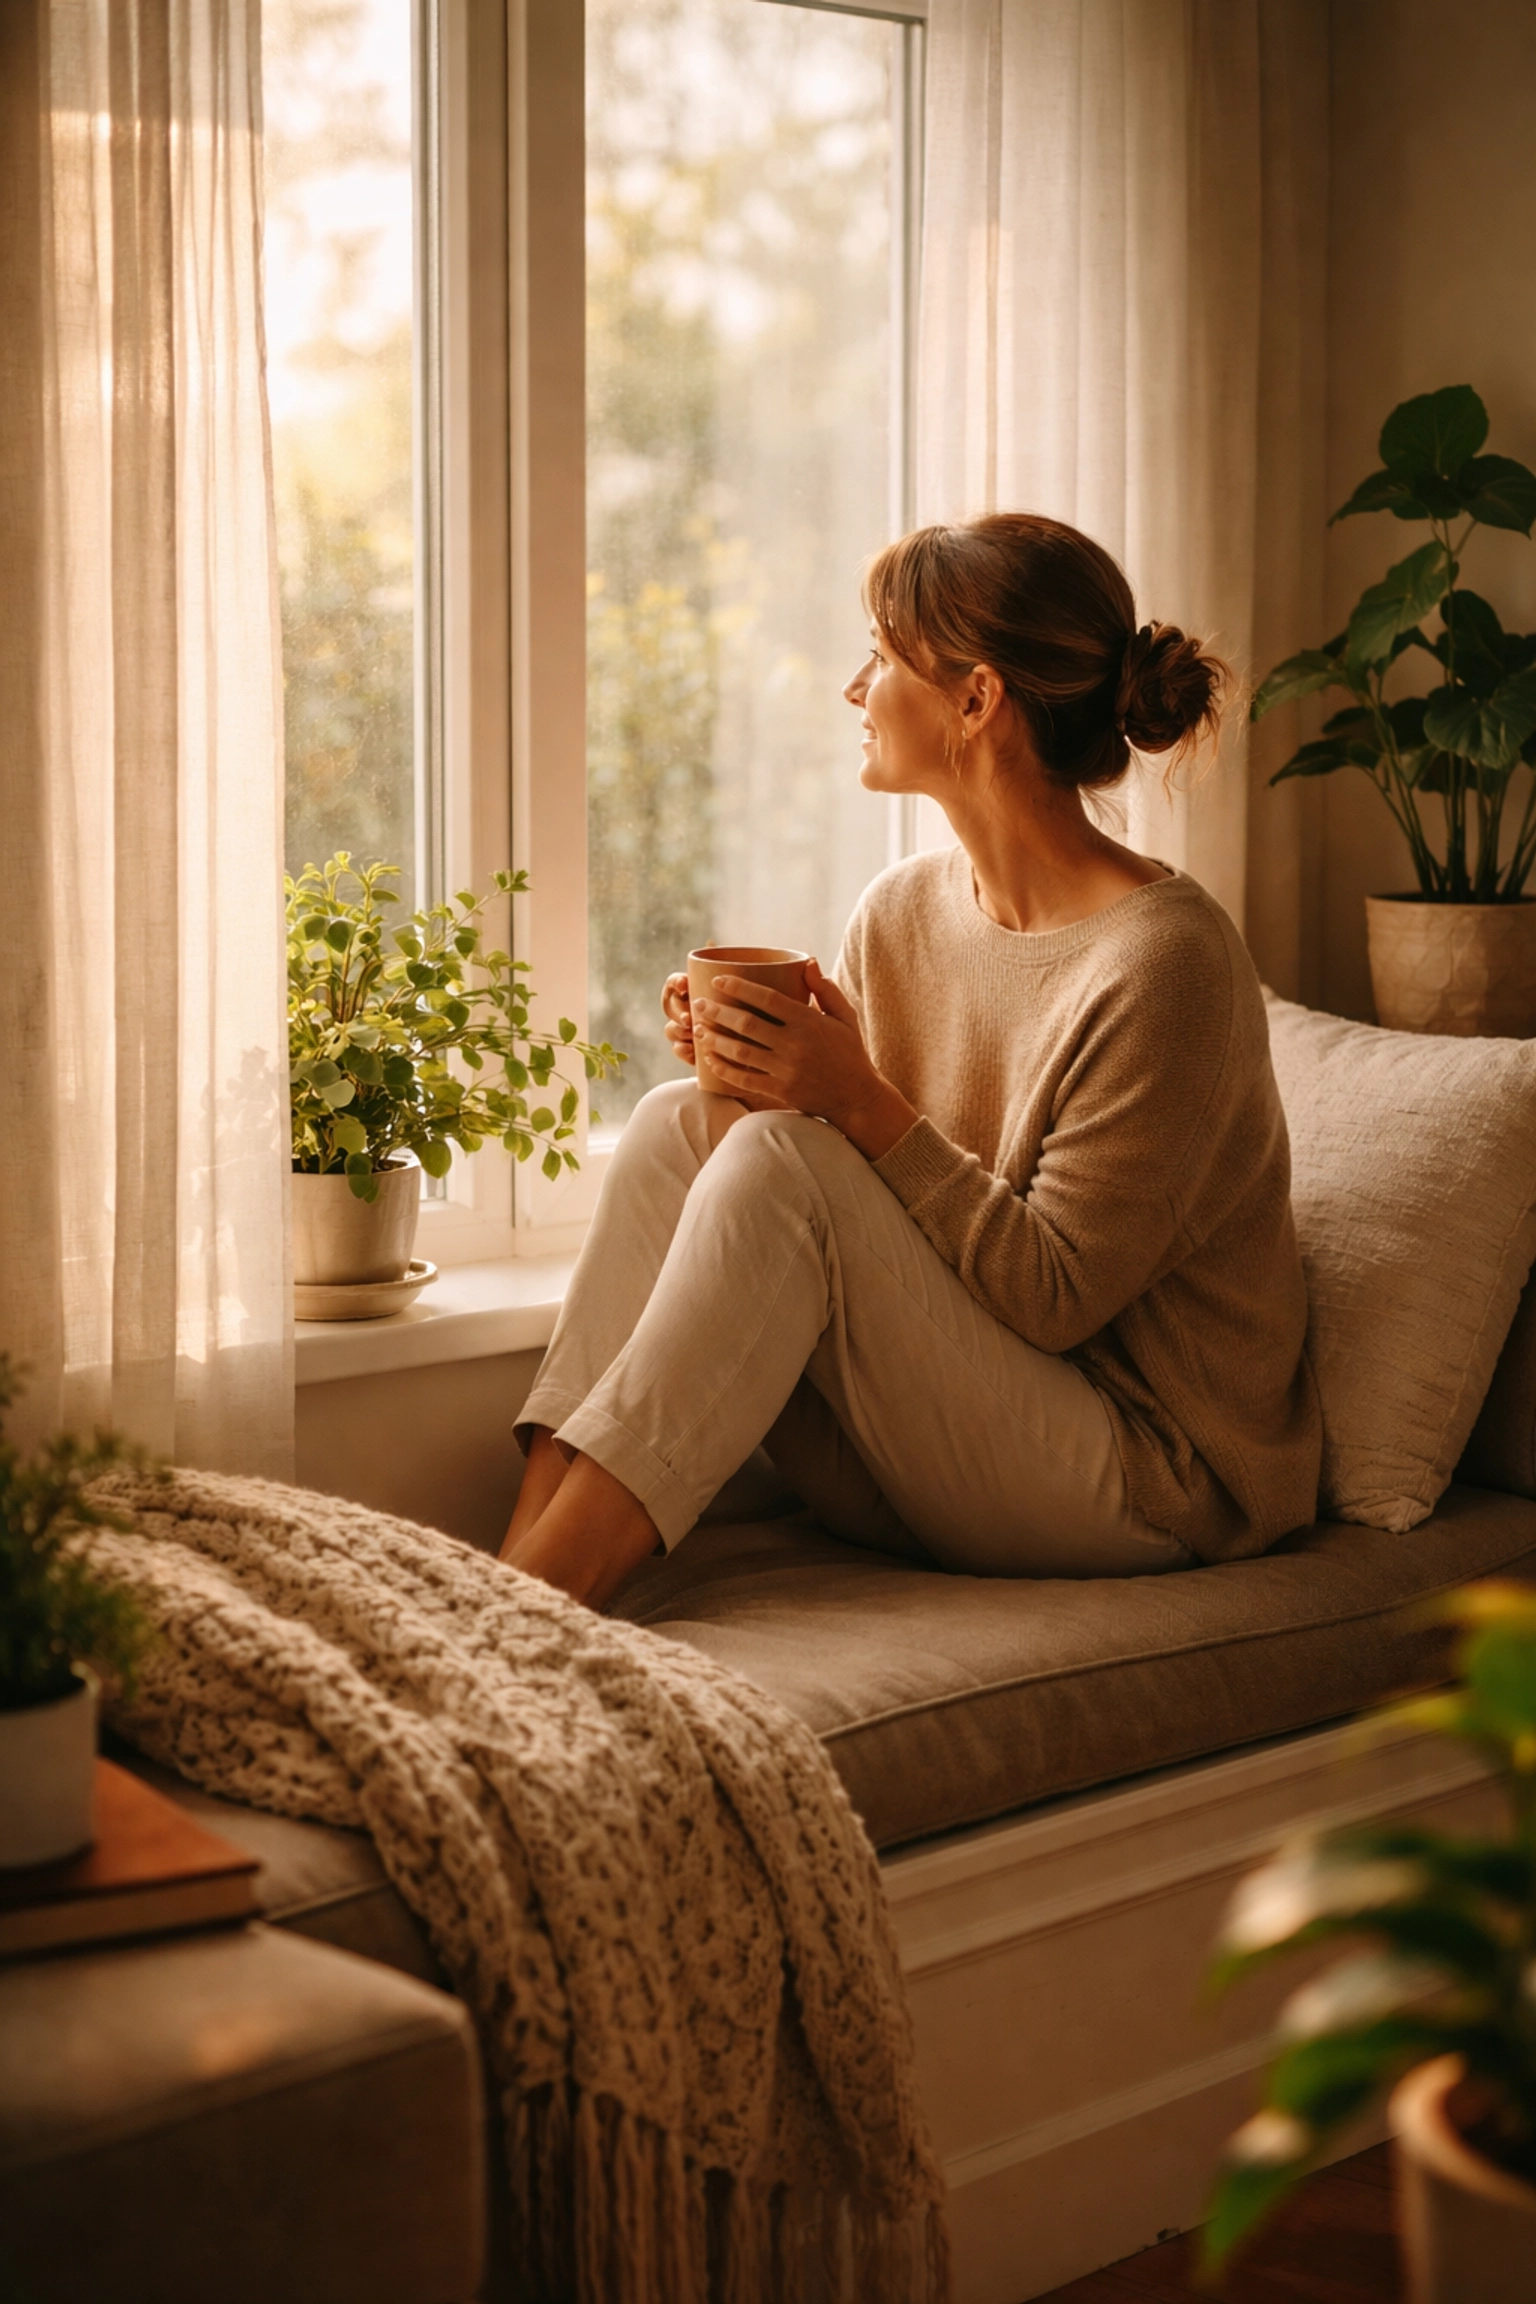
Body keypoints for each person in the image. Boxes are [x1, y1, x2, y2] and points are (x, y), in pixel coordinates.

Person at [500, 513, 1321, 1609]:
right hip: (942, 1444)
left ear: (977, 701)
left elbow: (1054, 1296)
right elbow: (861, 1190)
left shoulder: (1168, 964)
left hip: (1139, 1474)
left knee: (777, 1165)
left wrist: (853, 1095)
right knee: (677, 1128)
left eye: (881, 658)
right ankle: (511, 1566)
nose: (856, 690)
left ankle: (531, 1608)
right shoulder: (902, 913)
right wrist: (753, 1065)